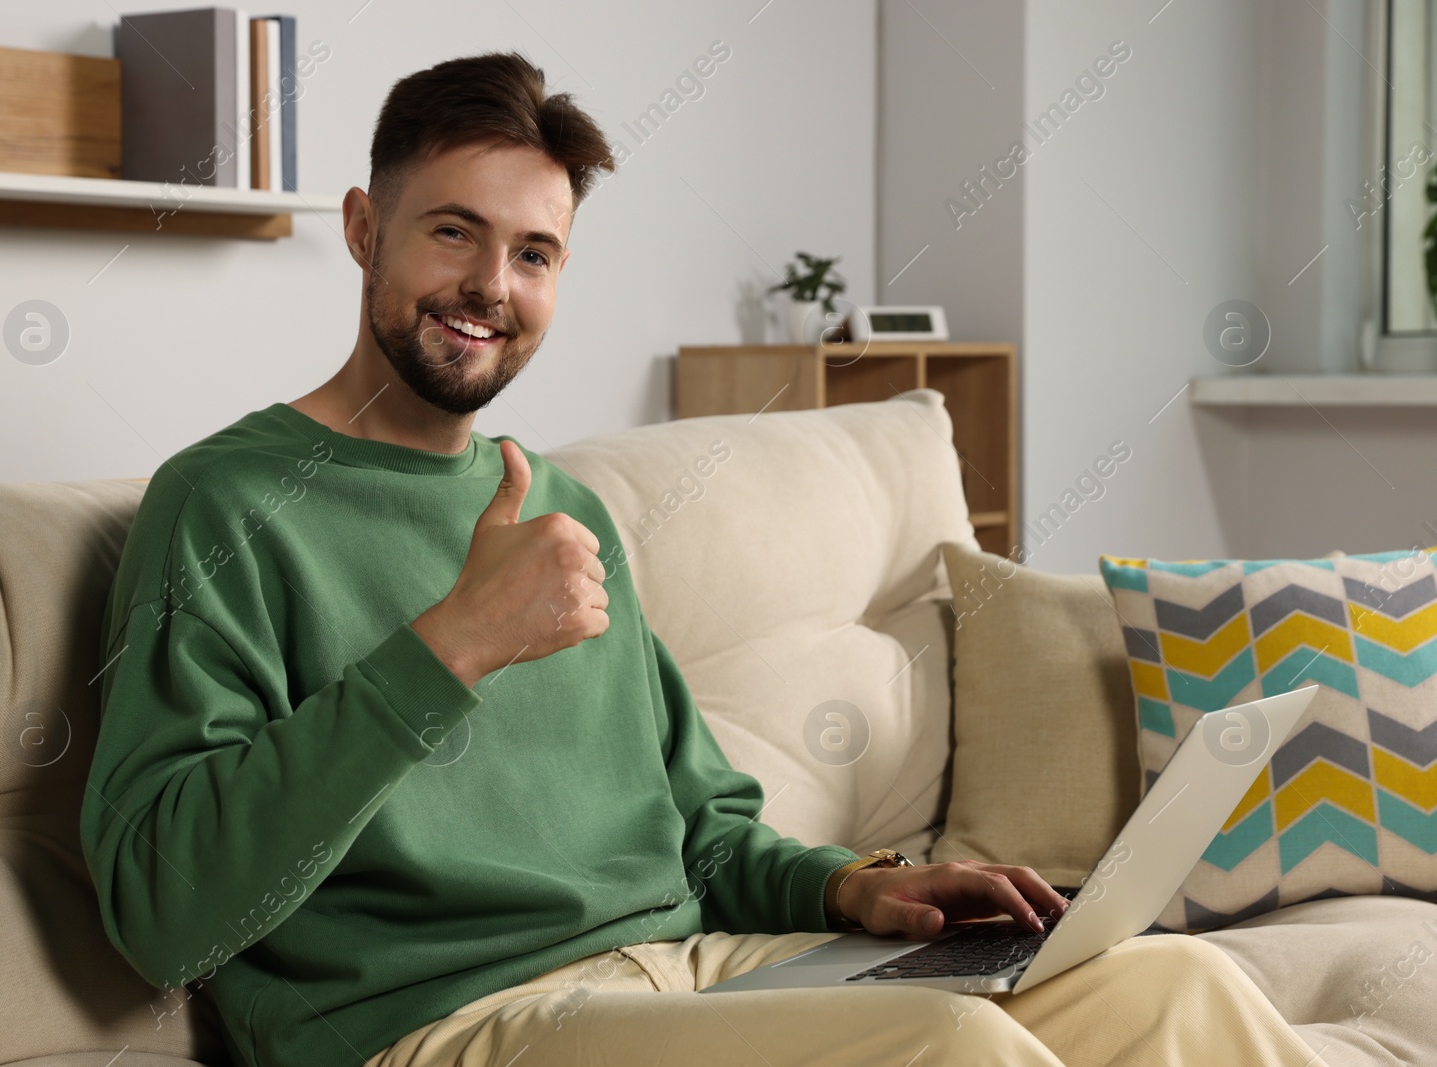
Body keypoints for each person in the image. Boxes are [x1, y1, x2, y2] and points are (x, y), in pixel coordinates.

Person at [80, 50, 1326, 1067]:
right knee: (954, 1047)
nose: (489, 286)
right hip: (446, 1023)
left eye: (533, 253)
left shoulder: (559, 509)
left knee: (1172, 985)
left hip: (690, 972)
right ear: (363, 230)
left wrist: (857, 894)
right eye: (452, 233)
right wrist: (454, 643)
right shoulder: (227, 504)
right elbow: (165, 913)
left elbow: (705, 835)